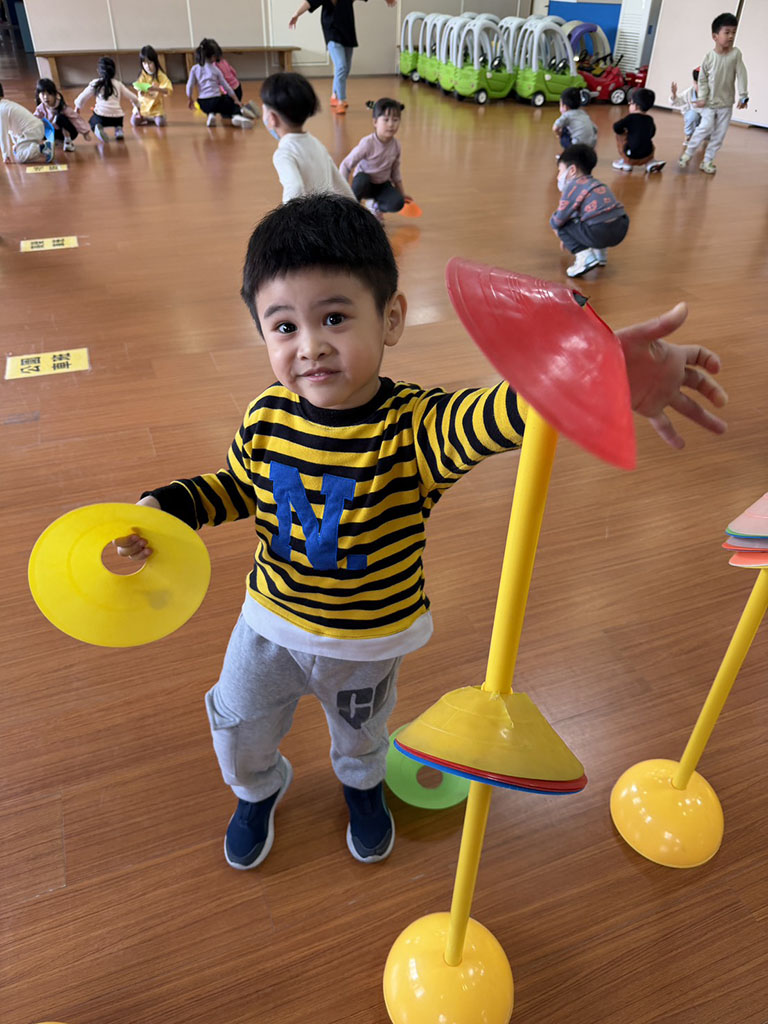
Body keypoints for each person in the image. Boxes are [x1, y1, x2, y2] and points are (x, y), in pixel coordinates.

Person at [112, 194, 727, 872]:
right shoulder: (265, 415)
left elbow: (502, 412)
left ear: (392, 318)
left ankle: (362, 785)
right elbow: (237, 485)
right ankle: (257, 788)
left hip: (368, 642)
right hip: (269, 626)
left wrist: (599, 368)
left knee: (362, 733)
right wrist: (170, 506)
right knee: (239, 726)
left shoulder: (416, 427)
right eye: (283, 326)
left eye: (335, 318)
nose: (310, 346)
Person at [289, 0, 396, 115]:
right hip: (331, 33)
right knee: (341, 66)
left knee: (345, 69)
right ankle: (341, 100)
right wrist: (296, 14)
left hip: (347, 33)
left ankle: (334, 95)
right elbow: (309, 2)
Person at [260, 72, 354, 202]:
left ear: (272, 118)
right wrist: (358, 211)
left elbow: (295, 188)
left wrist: (289, 215)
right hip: (327, 210)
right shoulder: (316, 143)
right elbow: (341, 185)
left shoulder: (283, 154)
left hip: (308, 214)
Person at [679, 12, 748, 176]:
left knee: (719, 135)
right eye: (727, 32)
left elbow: (742, 74)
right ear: (715, 36)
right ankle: (688, 153)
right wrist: (702, 98)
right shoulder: (709, 57)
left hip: (726, 103)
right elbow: (702, 80)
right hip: (709, 103)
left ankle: (708, 161)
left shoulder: (736, 54)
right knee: (704, 128)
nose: (731, 36)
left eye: (733, 32)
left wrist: (743, 95)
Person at [551, 144, 629, 278]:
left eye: (560, 170)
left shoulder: (573, 187)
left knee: (560, 223)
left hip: (599, 231)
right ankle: (600, 255)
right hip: (621, 227)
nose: (558, 176)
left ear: (572, 170)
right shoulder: (597, 184)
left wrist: (561, 233)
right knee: (594, 217)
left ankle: (584, 257)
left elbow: (560, 218)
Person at [339, 98, 408, 221]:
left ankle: (375, 207)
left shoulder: (396, 145)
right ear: (375, 122)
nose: (391, 124)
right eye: (386, 120)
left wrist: (402, 193)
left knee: (398, 203)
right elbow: (346, 164)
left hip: (382, 185)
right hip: (364, 184)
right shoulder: (368, 143)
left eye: (395, 120)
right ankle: (352, 211)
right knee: (362, 180)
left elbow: (395, 172)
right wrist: (343, 191)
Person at [186, 39, 252, 128]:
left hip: (203, 103)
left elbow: (189, 86)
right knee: (230, 103)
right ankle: (237, 116)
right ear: (213, 56)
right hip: (216, 101)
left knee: (211, 105)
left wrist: (190, 99)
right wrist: (236, 100)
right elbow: (227, 87)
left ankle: (211, 115)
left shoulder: (194, 69)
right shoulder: (215, 70)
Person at [74, 56, 141, 143]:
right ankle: (119, 129)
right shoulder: (118, 84)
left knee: (93, 121)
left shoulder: (95, 83)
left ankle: (98, 128)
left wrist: (77, 109)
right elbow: (133, 97)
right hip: (118, 117)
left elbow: (83, 97)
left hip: (102, 116)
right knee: (117, 118)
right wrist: (138, 109)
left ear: (98, 71)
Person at [612, 87, 665, 173]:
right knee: (648, 141)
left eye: (631, 103)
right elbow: (652, 133)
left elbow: (616, 127)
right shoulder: (649, 119)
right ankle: (650, 163)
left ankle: (626, 163)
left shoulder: (630, 118)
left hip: (631, 154)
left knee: (620, 135)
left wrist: (625, 132)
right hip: (647, 153)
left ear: (636, 106)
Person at [0, 82, 53, 164]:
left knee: (20, 156)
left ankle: (43, 148)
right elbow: (10, 130)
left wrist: (5, 155)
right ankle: (37, 148)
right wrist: (16, 143)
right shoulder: (5, 104)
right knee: (18, 150)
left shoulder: (1, 110)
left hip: (31, 130)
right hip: (33, 128)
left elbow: (3, 134)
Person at [34, 78, 90, 153]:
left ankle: (68, 142)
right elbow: (33, 120)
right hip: (54, 132)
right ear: (38, 95)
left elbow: (75, 118)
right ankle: (55, 141)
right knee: (39, 123)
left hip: (70, 132)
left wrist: (85, 132)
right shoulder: (40, 108)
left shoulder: (62, 107)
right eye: (43, 94)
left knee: (60, 118)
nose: (46, 97)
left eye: (49, 94)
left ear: (55, 94)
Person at [208, 39, 257, 118]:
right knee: (234, 104)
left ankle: (242, 111)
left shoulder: (214, 67)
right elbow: (234, 72)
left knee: (226, 114)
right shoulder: (224, 61)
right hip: (238, 87)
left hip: (230, 93)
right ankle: (247, 107)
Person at [131, 46, 173, 127]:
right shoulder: (142, 74)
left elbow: (168, 90)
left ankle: (155, 117)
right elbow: (139, 88)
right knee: (134, 122)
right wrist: (140, 93)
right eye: (144, 63)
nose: (147, 66)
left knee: (160, 123)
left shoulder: (160, 75)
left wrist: (156, 89)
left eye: (149, 63)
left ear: (155, 62)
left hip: (155, 106)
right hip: (143, 105)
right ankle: (147, 118)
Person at [670, 69, 702, 148]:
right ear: (694, 82)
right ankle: (689, 136)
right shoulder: (689, 92)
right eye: (697, 83)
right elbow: (677, 101)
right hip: (694, 115)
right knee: (692, 116)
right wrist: (674, 94)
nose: (700, 87)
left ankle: (706, 139)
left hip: (706, 117)